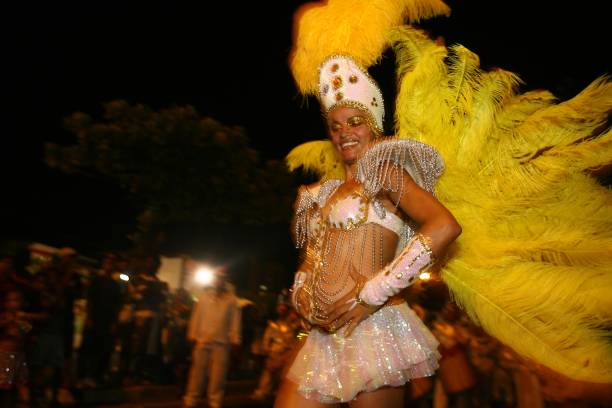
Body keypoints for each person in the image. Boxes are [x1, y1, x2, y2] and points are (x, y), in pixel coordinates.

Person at [276, 49, 461, 406]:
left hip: (375, 329)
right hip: (322, 337)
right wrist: (300, 287)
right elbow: (312, 254)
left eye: (355, 121)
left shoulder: (385, 174)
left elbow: (444, 226)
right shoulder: (322, 193)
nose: (345, 132)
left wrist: (374, 292)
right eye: (336, 125)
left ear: (373, 126)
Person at [182, 269, 242, 408]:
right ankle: (191, 399)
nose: (219, 280)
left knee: (218, 376)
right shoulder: (204, 297)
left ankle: (215, 402)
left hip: (221, 343)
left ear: (226, 279)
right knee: (197, 372)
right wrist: (192, 334)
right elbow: (197, 316)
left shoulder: (232, 300)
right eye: (217, 277)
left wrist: (235, 339)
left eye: (222, 277)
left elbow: (235, 321)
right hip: (203, 340)